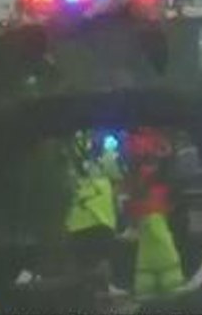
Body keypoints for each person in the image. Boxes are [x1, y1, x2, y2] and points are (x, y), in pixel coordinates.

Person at [123, 127, 186, 299]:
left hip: (148, 199)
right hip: (151, 199)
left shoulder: (139, 138)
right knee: (157, 238)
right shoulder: (149, 138)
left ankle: (149, 284)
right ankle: (166, 282)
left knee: (151, 240)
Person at [64, 130, 121, 292]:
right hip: (101, 221)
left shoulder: (66, 162)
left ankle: (86, 296)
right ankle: (104, 292)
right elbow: (116, 180)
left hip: (77, 223)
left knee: (79, 266)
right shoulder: (104, 156)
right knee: (102, 261)